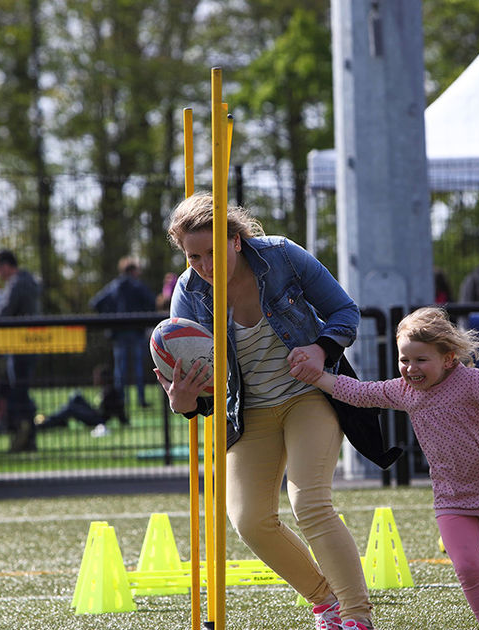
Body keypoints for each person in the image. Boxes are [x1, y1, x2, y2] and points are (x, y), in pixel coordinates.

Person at [156, 192, 399, 630]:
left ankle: (358, 618)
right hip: (249, 413)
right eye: (193, 257)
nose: (205, 265)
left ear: (235, 240)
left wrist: (321, 347)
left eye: (213, 251)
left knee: (309, 501)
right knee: (249, 520)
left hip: (310, 395)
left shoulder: (282, 256)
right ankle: (326, 601)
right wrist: (186, 404)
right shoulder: (189, 297)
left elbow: (344, 311)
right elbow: (200, 386)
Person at [291, 307, 479, 630]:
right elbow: (360, 393)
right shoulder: (405, 391)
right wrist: (318, 376)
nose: (410, 368)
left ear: (448, 358)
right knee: (468, 568)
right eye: (404, 360)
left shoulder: (469, 380)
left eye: (421, 360)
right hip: (451, 500)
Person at [0, 249, 42, 453]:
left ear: (5, 266)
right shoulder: (29, 281)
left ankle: (25, 438)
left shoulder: (17, 283)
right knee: (21, 391)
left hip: (20, 345)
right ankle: (28, 439)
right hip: (28, 344)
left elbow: (4, 311)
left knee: (19, 392)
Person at [90, 256, 159, 407]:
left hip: (119, 332)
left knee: (120, 370)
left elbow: (96, 303)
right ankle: (141, 400)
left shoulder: (114, 286)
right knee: (138, 368)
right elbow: (152, 301)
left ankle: (120, 401)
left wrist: (108, 319)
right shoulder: (137, 286)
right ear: (133, 270)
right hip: (136, 331)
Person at [35, 364, 128, 436]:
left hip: (98, 420)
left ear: (104, 378)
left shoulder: (111, 392)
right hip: (95, 414)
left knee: (70, 409)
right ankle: (58, 420)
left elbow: (118, 411)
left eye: (97, 376)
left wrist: (124, 421)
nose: (94, 379)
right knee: (76, 396)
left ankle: (45, 424)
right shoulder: (105, 389)